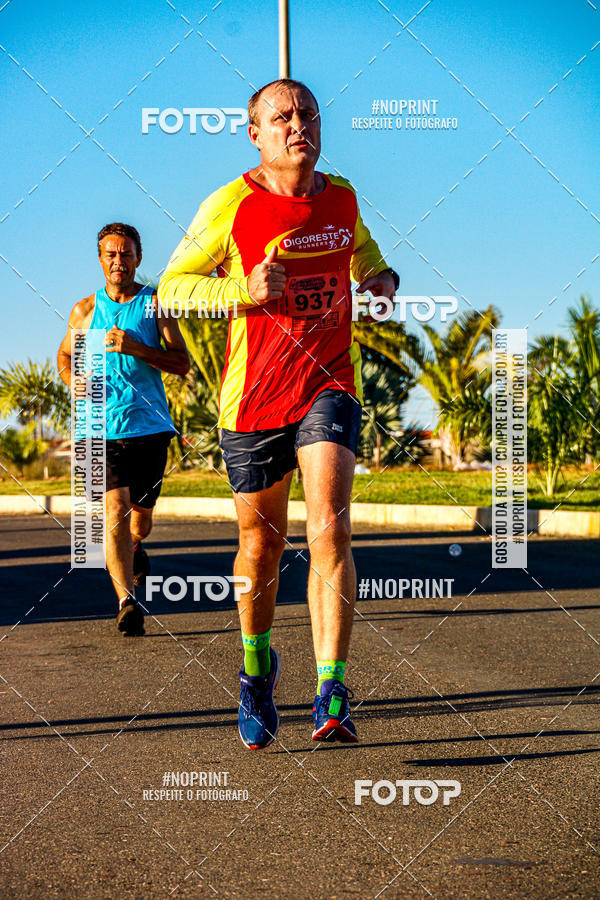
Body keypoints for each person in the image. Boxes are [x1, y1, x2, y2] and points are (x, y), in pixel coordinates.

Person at [158, 79, 398, 746]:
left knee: (329, 527)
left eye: (308, 115)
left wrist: (382, 281)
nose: (298, 125)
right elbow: (171, 289)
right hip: (255, 397)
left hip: (329, 383)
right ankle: (256, 671)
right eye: (282, 117)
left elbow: (366, 256)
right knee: (260, 546)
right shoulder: (230, 204)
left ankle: (332, 689)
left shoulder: (342, 196)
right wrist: (244, 288)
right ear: (256, 135)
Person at [58, 223, 190, 635]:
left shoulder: (155, 305)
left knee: (140, 520)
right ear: (100, 259)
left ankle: (136, 545)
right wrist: (72, 379)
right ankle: (126, 602)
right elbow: (64, 355)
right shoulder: (83, 310)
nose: (119, 261)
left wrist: (135, 348)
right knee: (114, 509)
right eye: (111, 254)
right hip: (97, 429)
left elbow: (181, 362)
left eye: (126, 254)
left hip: (148, 427)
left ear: (138, 257)